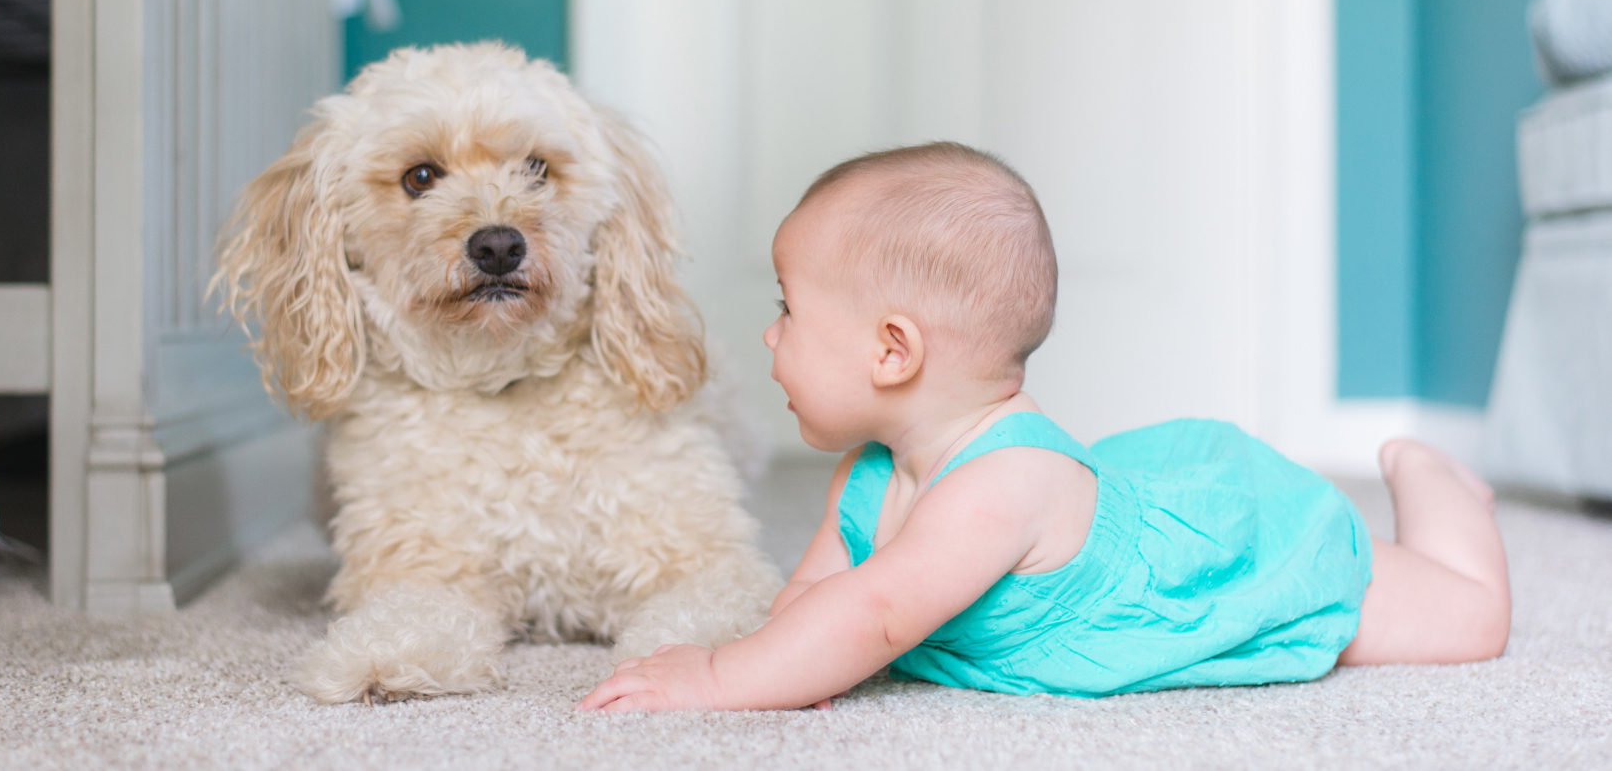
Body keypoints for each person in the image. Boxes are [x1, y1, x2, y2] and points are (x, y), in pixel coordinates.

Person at [578, 142, 1512, 712]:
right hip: (1118, 500)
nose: (770, 335)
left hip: (1228, 551)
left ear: (892, 352)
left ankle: (1432, 480)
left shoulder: (997, 490)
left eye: (790, 312)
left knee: (1470, 621)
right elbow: (819, 601)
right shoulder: (868, 474)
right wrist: (779, 663)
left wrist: (717, 680)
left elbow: (874, 614)